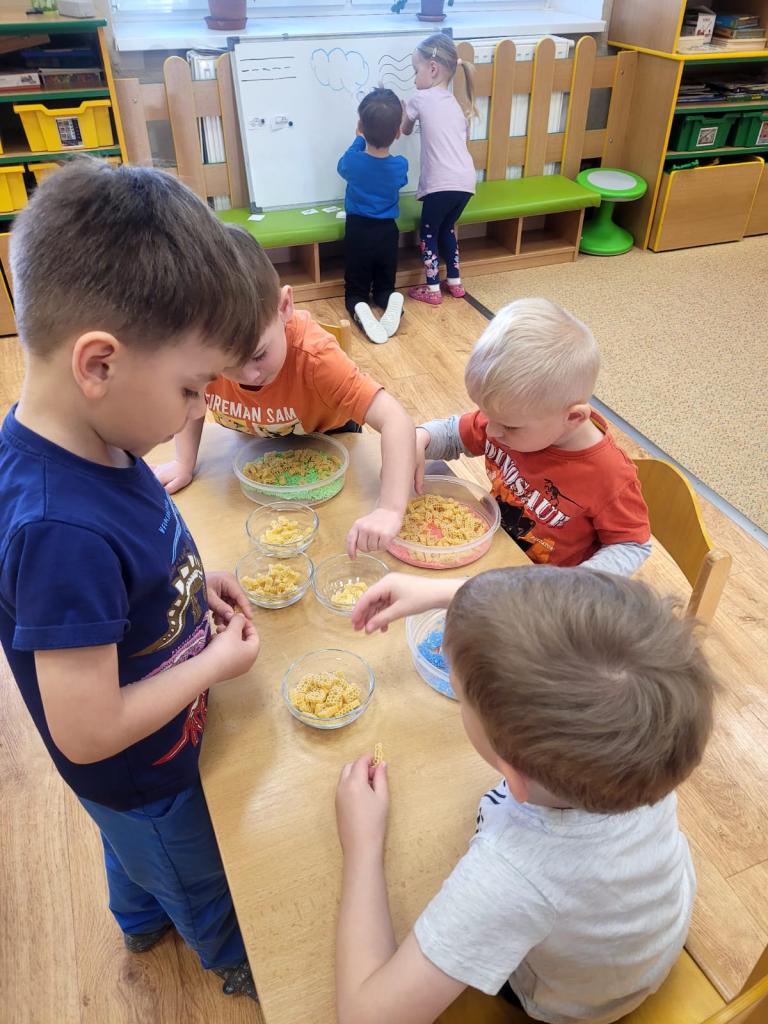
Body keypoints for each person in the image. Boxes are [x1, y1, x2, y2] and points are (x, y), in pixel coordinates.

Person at [0, 160, 264, 1000]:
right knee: (194, 875)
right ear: (99, 364)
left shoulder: (99, 436)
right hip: (143, 775)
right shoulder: (58, 532)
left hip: (140, 768)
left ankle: (139, 920)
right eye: (190, 388)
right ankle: (229, 960)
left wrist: (193, 581)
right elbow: (88, 732)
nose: (199, 410)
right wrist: (214, 663)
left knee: (134, 854)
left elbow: (137, 557)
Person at [335, 567, 718, 1024]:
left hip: (575, 1001)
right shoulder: (645, 744)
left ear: (514, 777)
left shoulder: (511, 876)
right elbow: (570, 632)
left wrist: (362, 844)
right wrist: (444, 594)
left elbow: (365, 1017)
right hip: (644, 938)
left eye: (461, 693)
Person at [154, 228, 416, 558]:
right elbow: (192, 396)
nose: (249, 375)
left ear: (284, 306)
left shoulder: (316, 358)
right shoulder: (201, 355)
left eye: (259, 354)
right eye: (226, 366)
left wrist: (390, 509)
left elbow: (396, 420)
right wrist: (183, 461)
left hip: (331, 444)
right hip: (256, 453)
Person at [416, 298, 651, 574]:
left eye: (508, 426)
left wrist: (578, 583)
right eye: (488, 416)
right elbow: (452, 435)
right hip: (495, 547)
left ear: (573, 418)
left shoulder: (609, 475)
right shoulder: (512, 419)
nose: (490, 431)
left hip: (545, 585)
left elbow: (632, 545)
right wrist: (419, 439)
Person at [401, 33, 477, 306]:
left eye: (415, 71)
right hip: (465, 182)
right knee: (447, 230)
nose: (414, 79)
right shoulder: (454, 103)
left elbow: (404, 129)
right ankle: (455, 283)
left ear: (432, 69)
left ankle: (433, 288)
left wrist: (403, 110)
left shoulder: (420, 98)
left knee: (429, 233)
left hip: (441, 183)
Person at [337, 87, 408, 344]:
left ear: (361, 127)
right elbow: (400, 182)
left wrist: (359, 139)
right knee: (383, 288)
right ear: (397, 132)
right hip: (387, 232)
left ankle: (360, 307)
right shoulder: (400, 164)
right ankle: (391, 300)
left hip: (359, 231)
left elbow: (342, 166)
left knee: (355, 291)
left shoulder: (354, 162)